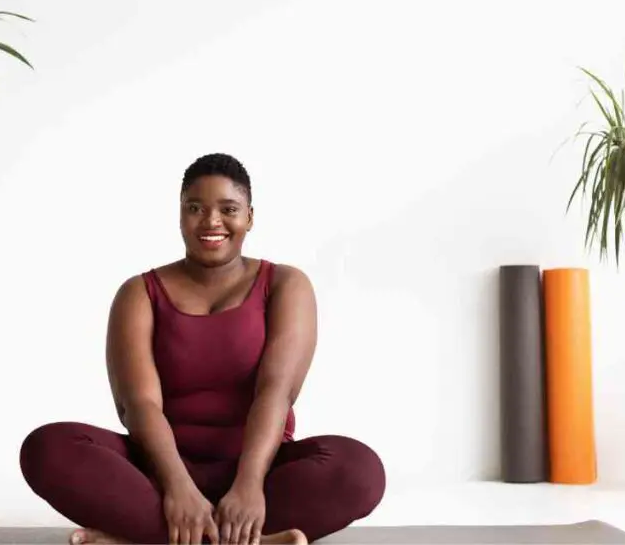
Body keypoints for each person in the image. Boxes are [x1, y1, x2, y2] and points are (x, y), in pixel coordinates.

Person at [19, 153, 386, 544]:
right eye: (195, 208)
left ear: (249, 217)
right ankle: (249, 541)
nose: (211, 221)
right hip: (157, 472)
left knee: (360, 471)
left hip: (259, 469)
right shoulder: (139, 293)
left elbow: (276, 391)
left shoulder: (284, 284)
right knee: (47, 448)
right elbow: (139, 406)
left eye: (228, 209)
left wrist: (248, 486)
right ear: (179, 215)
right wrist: (178, 488)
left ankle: (143, 540)